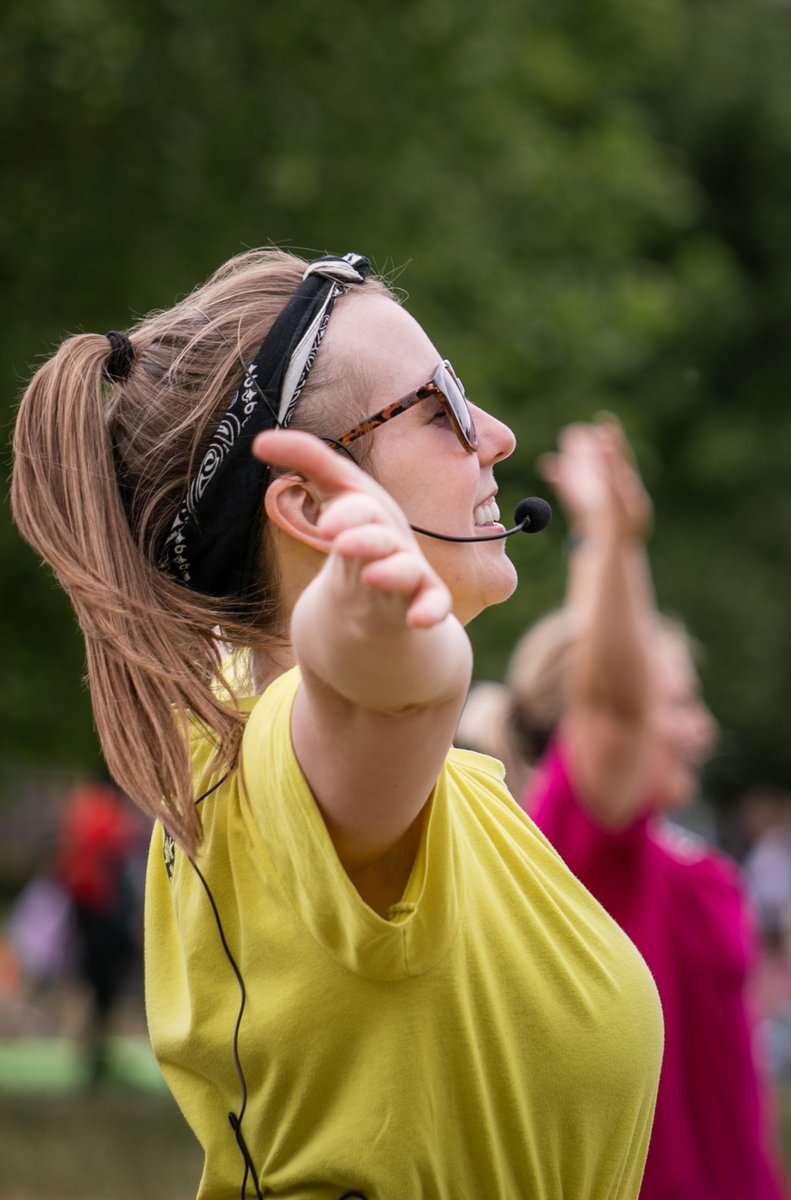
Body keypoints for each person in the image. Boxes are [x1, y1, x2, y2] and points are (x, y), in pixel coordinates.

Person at [11, 249, 662, 1199]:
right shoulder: (257, 758)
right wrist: (381, 640)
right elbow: (376, 700)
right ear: (308, 507)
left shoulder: (445, 790)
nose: (497, 433)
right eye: (439, 403)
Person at [505, 419, 790, 1200]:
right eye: (679, 704)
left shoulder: (686, 864)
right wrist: (607, 538)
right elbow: (614, 707)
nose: (702, 728)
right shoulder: (582, 842)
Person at [56, 778, 146, 1083]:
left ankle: (95, 1053)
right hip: (100, 913)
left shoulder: (83, 807)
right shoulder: (103, 811)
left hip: (91, 911)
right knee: (100, 984)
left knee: (97, 984)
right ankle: (93, 1054)